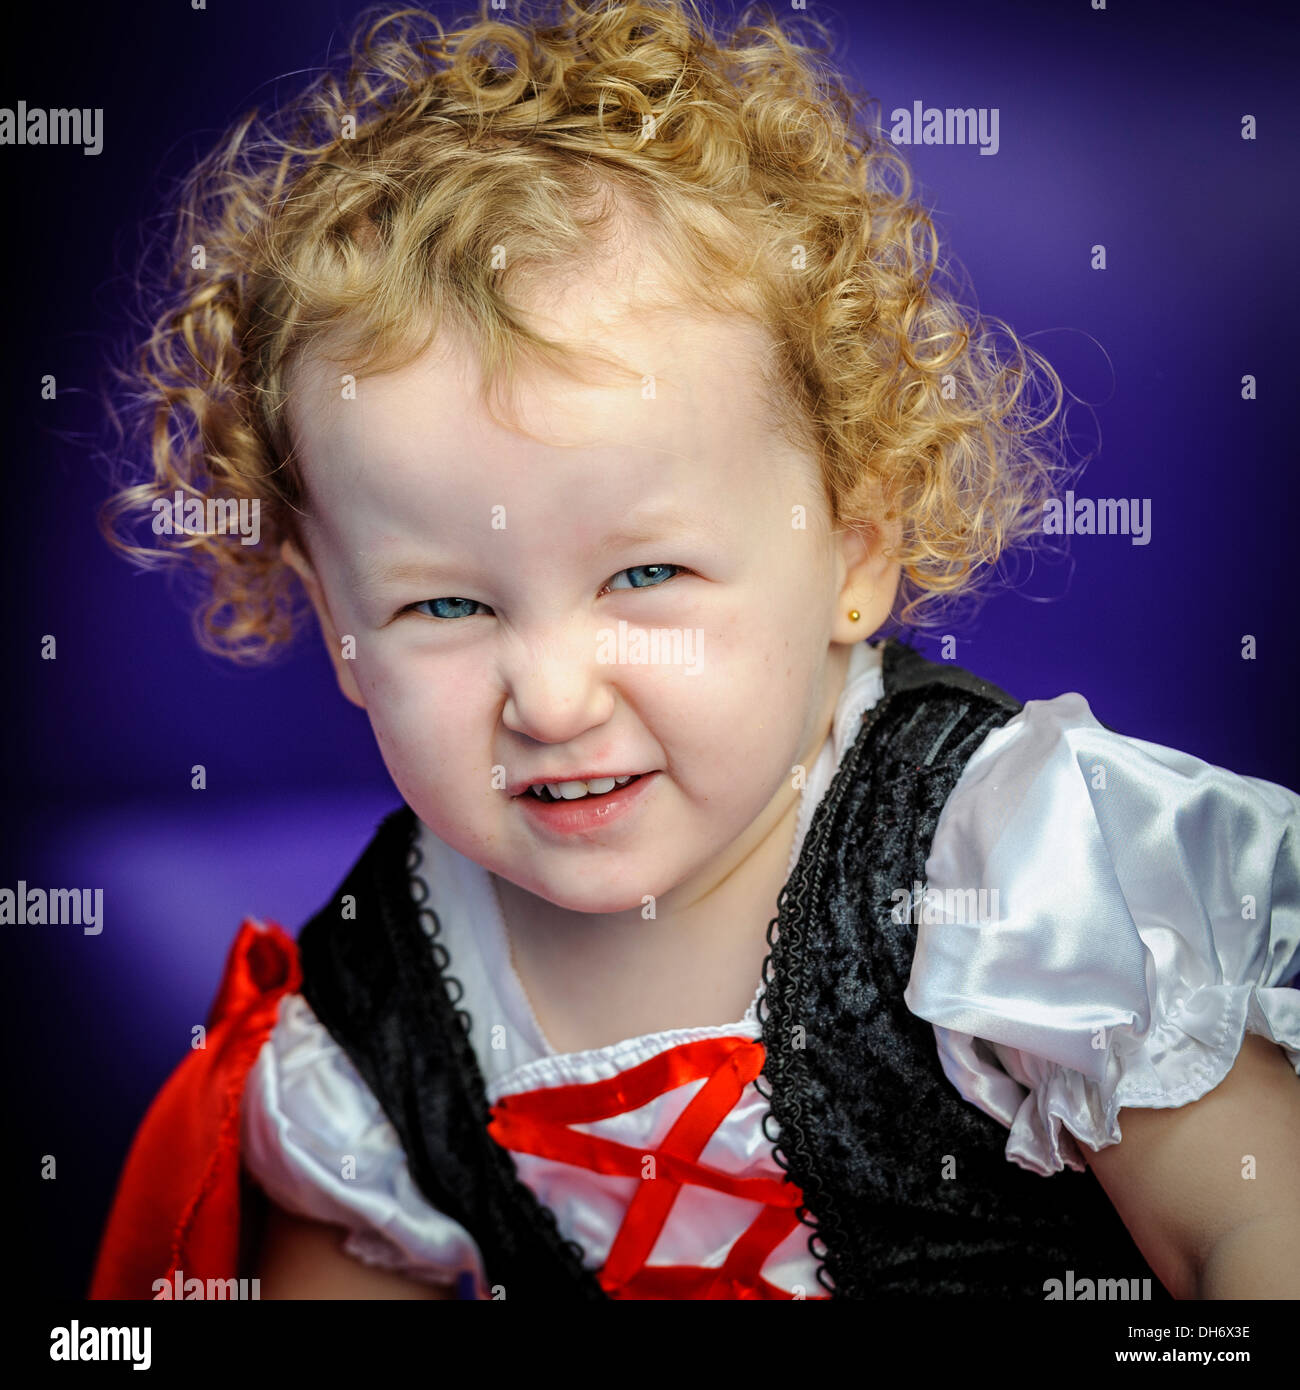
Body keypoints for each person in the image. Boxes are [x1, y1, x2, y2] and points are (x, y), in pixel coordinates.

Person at [89, 0, 1300, 1301]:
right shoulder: (370, 1024)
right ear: (333, 621)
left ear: (855, 548)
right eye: (446, 607)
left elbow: (1242, 1233)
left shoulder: (1012, 871)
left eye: (646, 574)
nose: (550, 698)